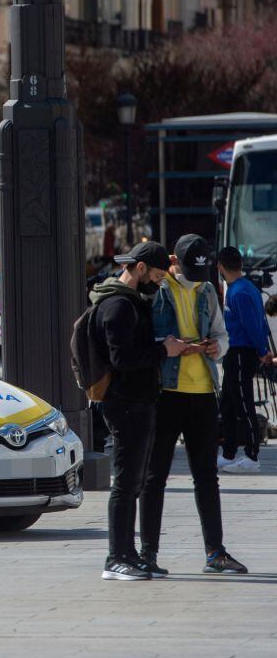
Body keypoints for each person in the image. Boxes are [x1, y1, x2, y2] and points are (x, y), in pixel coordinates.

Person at [140, 235, 247, 576]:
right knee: (155, 475)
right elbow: (145, 339)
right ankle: (148, 553)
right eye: (189, 270)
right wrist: (169, 347)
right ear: (175, 262)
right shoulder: (159, 288)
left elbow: (222, 334)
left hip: (202, 390)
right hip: (166, 392)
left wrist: (217, 347)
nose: (195, 277)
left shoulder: (206, 291)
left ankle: (215, 552)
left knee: (206, 476)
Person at [89, 241, 189, 580]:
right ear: (141, 269)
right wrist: (164, 350)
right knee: (125, 482)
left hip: (137, 402)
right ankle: (115, 558)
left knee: (132, 483)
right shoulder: (118, 306)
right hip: (126, 404)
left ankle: (129, 554)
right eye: (158, 276)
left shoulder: (129, 301)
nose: (159, 283)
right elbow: (123, 359)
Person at [217, 246, 270, 474]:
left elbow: (251, 325)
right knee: (228, 404)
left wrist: (261, 349)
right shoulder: (247, 287)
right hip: (236, 352)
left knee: (243, 404)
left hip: (241, 351)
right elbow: (261, 322)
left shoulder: (237, 292)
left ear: (220, 267)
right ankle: (228, 452)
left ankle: (251, 455)